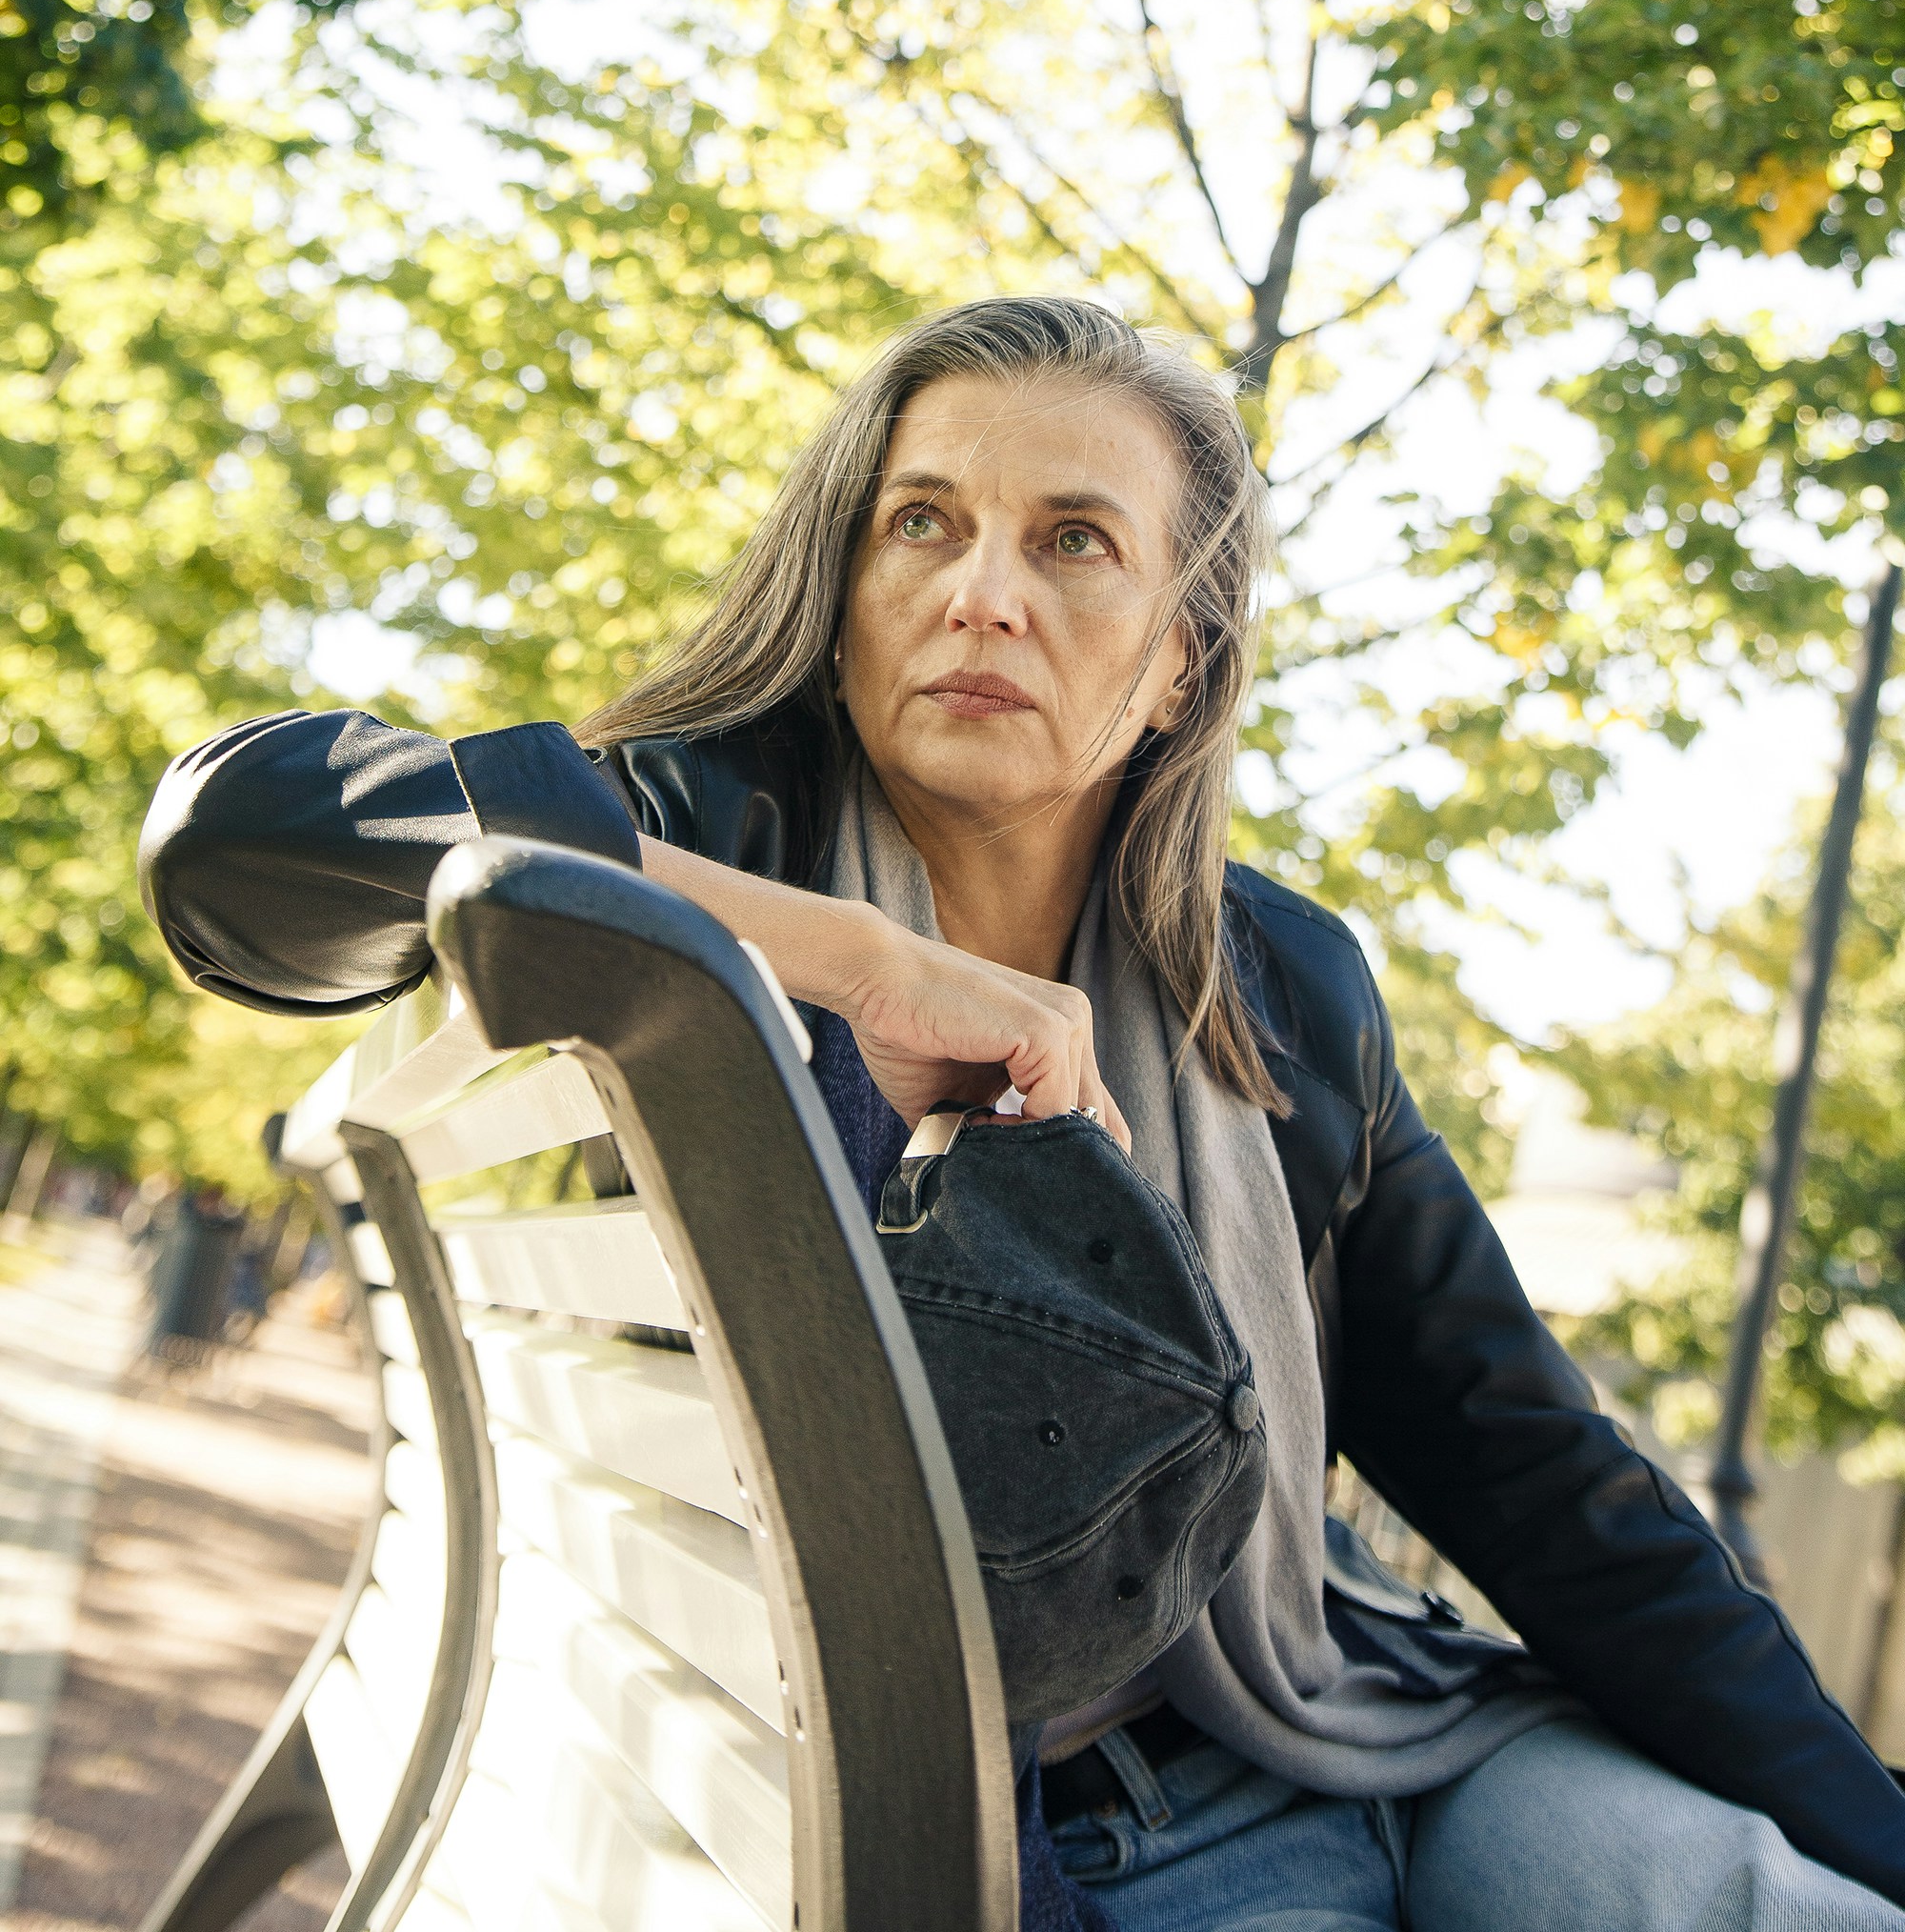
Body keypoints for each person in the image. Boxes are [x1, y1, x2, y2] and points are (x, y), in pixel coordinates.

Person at [142, 296, 1905, 1932]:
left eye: (1076, 541)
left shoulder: (1285, 992)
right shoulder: (688, 844)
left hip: (1329, 1730)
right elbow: (229, 844)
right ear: (839, 600)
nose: (984, 591)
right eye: (924, 523)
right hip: (936, 1824)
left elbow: (1534, 1473)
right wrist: (842, 965)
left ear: (1176, 662)